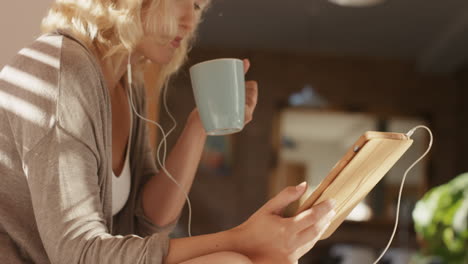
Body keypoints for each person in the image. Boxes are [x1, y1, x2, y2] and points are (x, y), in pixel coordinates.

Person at [0, 0, 336, 263]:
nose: (190, 22)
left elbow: (149, 218)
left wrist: (199, 125)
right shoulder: (61, 71)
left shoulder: (127, 84)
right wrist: (241, 238)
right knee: (231, 259)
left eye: (198, 7)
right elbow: (80, 254)